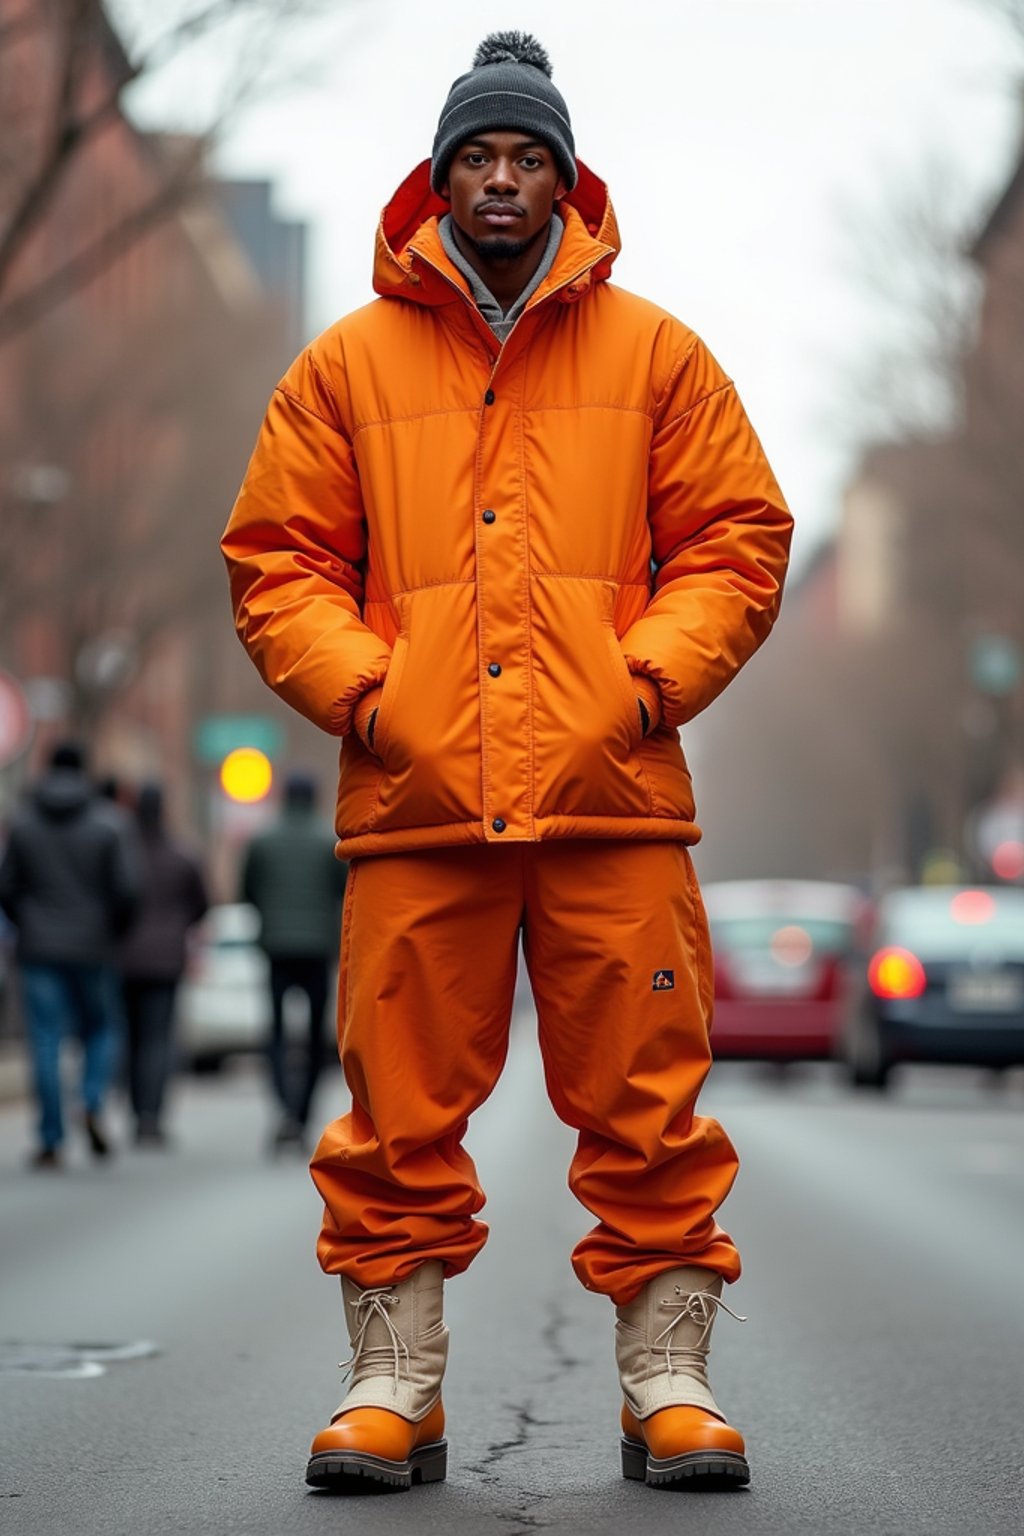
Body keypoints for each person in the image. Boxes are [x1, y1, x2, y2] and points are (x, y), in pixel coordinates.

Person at [222, 32, 792, 1494]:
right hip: (418, 806)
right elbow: (279, 563)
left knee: (647, 1099)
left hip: (613, 800)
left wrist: (642, 683)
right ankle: (389, 1385)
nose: (497, 178)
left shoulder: (655, 352)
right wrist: (374, 698)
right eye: (475, 155)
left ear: (563, 178)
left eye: (523, 157)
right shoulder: (344, 365)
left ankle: (669, 1381)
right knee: (397, 1106)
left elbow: (736, 542)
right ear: (437, 175)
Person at [0, 741, 139, 1168]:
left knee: (45, 1039)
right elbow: (127, 891)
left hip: (39, 947)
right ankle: (91, 1099)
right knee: (102, 1029)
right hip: (94, 947)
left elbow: (6, 889)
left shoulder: (23, 825)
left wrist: (27, 925)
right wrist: (111, 933)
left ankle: (50, 1137)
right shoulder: (109, 823)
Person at [240, 772, 346, 1150]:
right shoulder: (328, 841)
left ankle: (283, 1106)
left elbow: (247, 890)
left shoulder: (263, 840)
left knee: (277, 1032)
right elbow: (346, 891)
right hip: (318, 948)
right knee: (317, 1033)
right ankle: (302, 1114)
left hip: (277, 947)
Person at [118, 782, 208, 1146]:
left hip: (124, 957)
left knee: (131, 1036)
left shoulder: (124, 852)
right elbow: (202, 904)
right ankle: (151, 1118)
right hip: (167, 959)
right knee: (157, 1039)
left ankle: (135, 1110)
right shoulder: (182, 855)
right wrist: (179, 927)